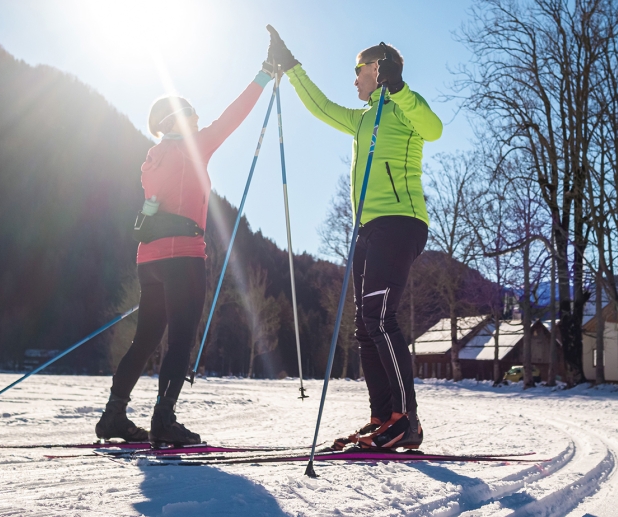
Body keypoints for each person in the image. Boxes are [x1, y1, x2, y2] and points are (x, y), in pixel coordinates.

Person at [266, 25, 442, 449]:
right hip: (368, 229)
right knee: (365, 327)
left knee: (380, 319)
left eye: (358, 69)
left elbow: (433, 128)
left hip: (400, 222)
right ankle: (383, 416)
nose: (354, 78)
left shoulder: (403, 108)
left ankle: (406, 420)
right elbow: (322, 108)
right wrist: (291, 67)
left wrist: (398, 88)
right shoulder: (363, 118)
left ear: (378, 69)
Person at [95, 56, 276, 446]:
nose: (198, 119)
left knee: (145, 338)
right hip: (185, 257)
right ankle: (164, 420)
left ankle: (114, 415)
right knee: (179, 338)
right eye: (191, 113)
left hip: (150, 260)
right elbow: (234, 116)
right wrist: (264, 73)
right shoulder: (193, 147)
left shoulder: (151, 159)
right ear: (175, 120)